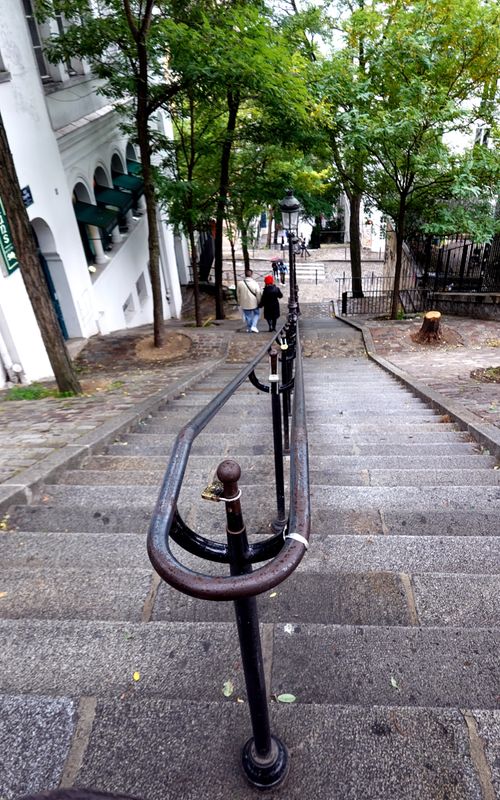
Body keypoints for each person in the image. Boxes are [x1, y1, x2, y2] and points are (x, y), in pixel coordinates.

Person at [237, 268, 262, 333]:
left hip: (244, 303)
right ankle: (253, 326)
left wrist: (239, 302)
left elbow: (238, 294)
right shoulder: (255, 283)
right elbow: (258, 294)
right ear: (251, 275)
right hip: (254, 303)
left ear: (245, 274)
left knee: (248, 316)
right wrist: (259, 302)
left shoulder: (240, 283)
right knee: (257, 314)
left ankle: (250, 327)